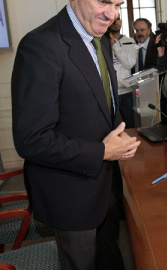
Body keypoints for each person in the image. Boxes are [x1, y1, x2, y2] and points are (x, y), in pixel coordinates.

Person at [11, 0, 141, 269]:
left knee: (110, 257)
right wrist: (102, 151)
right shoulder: (41, 45)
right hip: (71, 198)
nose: (112, 14)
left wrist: (120, 134)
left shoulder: (100, 38)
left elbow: (102, 107)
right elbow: (31, 139)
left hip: (107, 188)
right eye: (104, 1)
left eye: (118, 4)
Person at [108, 16, 138, 128]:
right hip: (110, 93)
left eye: (118, 19)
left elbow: (129, 63)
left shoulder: (130, 41)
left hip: (126, 92)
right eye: (113, 19)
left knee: (130, 125)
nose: (116, 22)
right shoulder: (102, 42)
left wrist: (114, 45)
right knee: (111, 127)